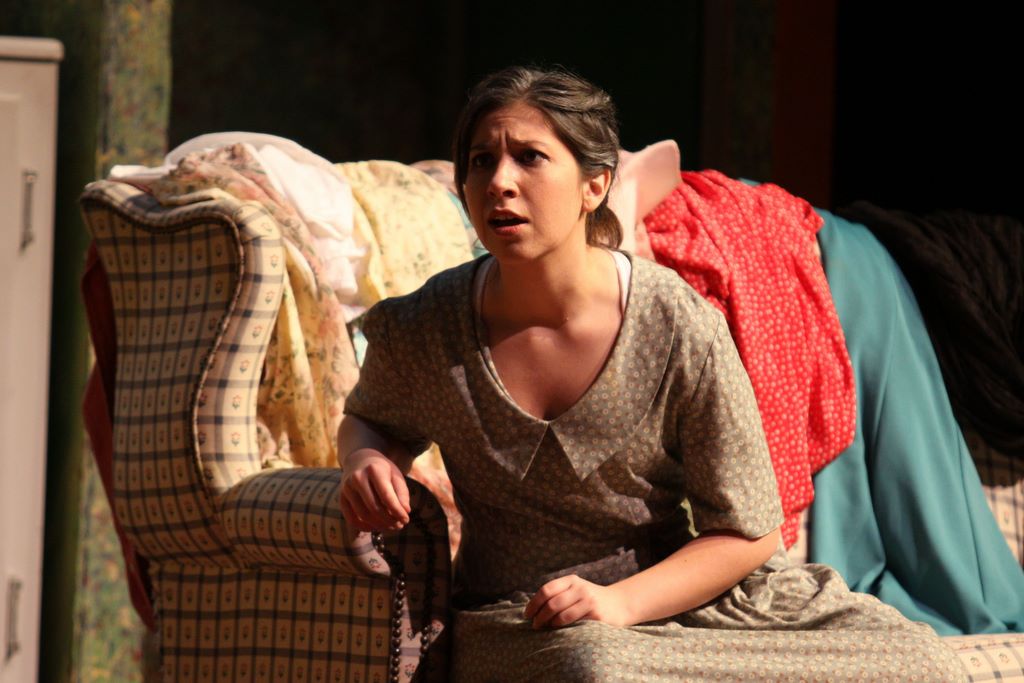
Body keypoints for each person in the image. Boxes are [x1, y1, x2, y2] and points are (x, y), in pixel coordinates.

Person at [337, 66, 967, 682]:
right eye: (481, 161)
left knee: (921, 662)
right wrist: (365, 458)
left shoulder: (675, 324)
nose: (499, 181)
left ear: (594, 186)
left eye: (529, 158)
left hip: (677, 604)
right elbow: (372, 417)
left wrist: (622, 603)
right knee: (596, 668)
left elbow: (747, 531)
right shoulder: (429, 326)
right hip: (523, 618)